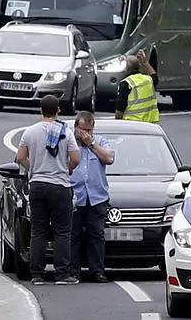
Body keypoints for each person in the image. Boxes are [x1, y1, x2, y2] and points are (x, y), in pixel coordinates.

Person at [17, 95, 81, 285]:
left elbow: (20, 157)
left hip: (37, 185)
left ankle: (37, 274)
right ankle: (62, 273)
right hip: (60, 185)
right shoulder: (66, 132)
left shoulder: (29, 132)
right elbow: (76, 158)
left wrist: (32, 168)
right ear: (58, 110)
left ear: (40, 110)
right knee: (62, 231)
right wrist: (67, 169)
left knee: (38, 230)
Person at [70, 111, 115, 283]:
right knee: (74, 235)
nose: (86, 134)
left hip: (97, 197)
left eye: (90, 130)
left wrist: (92, 144)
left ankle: (96, 270)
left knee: (96, 235)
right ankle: (73, 270)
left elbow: (109, 158)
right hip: (75, 196)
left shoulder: (100, 141)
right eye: (83, 130)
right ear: (76, 128)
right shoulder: (70, 143)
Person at [115, 49, 160, 122]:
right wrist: (145, 62)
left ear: (126, 68)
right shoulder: (148, 80)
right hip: (150, 123)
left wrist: (118, 122)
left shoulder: (126, 83)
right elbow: (154, 76)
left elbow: (120, 108)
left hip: (132, 123)